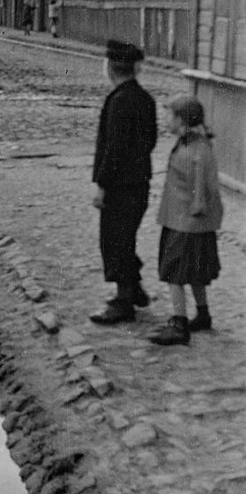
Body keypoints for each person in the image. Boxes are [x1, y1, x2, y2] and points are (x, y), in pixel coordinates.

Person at [90, 40, 157, 325]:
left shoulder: (118, 101)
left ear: (110, 69)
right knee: (124, 237)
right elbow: (150, 140)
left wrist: (101, 183)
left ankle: (123, 302)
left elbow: (113, 149)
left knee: (114, 240)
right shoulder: (144, 98)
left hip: (119, 185)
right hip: (139, 181)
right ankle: (134, 288)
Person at [148, 96, 223, 346]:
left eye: (169, 115)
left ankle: (179, 324)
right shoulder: (191, 144)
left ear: (180, 120)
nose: (166, 119)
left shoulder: (196, 151)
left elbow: (201, 192)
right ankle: (203, 314)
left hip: (186, 222)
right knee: (195, 272)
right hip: (182, 219)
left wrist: (197, 207)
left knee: (176, 274)